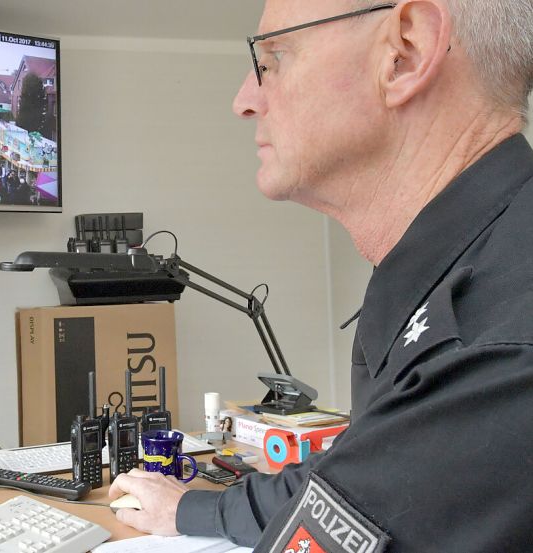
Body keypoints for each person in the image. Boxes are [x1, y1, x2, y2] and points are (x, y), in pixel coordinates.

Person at [108, 1, 533, 551]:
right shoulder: (465, 272)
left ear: (406, 52)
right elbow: (350, 482)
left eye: (274, 59)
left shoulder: (493, 354)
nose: (244, 100)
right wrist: (194, 509)